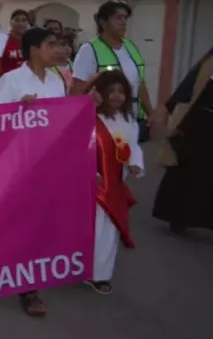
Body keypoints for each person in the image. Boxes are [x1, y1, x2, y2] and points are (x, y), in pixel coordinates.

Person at [0, 26, 66, 318]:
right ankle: (22, 282)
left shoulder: (58, 80)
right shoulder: (12, 80)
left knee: (41, 223)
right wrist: (19, 110)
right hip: (19, 165)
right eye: (52, 44)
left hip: (49, 164)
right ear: (35, 48)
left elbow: (63, 120)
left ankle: (29, 279)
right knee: (20, 222)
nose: (58, 50)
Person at [153, 38, 213, 235]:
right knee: (186, 173)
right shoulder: (212, 62)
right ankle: (177, 217)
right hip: (200, 125)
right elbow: (188, 89)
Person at [87, 70, 143, 295]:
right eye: (111, 91)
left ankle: (100, 275)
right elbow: (79, 146)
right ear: (100, 93)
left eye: (121, 91)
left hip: (115, 184)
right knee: (89, 229)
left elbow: (133, 146)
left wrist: (136, 163)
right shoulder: (89, 116)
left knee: (109, 230)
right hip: (92, 183)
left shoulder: (129, 119)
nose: (117, 96)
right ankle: (79, 268)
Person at [72, 0, 155, 140]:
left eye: (125, 18)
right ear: (103, 22)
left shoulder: (130, 47)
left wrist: (150, 112)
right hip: (104, 119)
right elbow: (76, 91)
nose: (123, 22)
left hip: (132, 118)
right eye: (118, 18)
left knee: (131, 157)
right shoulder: (89, 49)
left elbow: (139, 83)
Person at [0, 9, 31, 82]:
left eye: (24, 20)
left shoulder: (32, 42)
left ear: (28, 23)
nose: (20, 23)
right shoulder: (0, 40)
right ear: (11, 22)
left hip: (28, 83)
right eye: (17, 20)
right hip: (8, 83)